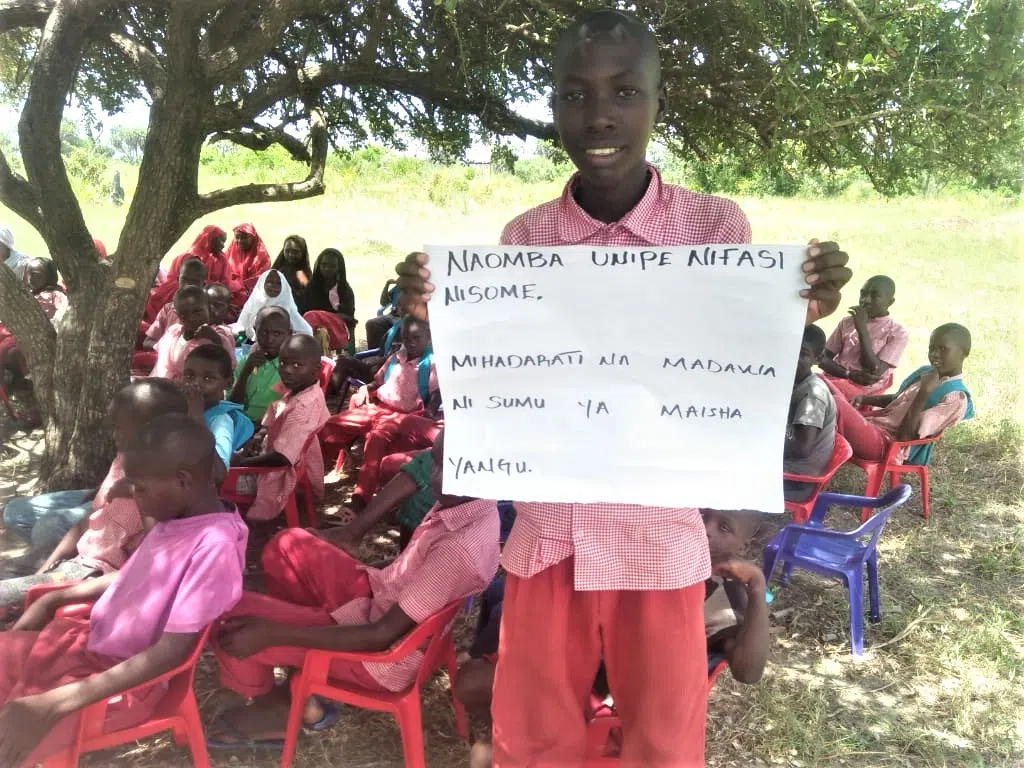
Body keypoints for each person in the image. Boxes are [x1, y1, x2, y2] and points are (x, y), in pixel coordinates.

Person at [394, 10, 851, 765]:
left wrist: (789, 308)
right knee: (531, 741)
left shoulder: (716, 230)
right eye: (575, 95)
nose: (599, 115)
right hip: (551, 541)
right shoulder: (523, 240)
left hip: (661, 541)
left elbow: (727, 369)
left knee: (664, 744)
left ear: (657, 103)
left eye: (625, 92)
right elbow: (509, 377)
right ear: (553, 106)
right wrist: (442, 311)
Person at [205, 430, 499, 747]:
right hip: (379, 606)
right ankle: (298, 680)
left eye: (448, 468)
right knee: (288, 546)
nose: (434, 477)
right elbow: (417, 575)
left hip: (379, 657)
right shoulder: (472, 506)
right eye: (436, 463)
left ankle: (273, 709)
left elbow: (380, 636)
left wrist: (273, 633)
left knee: (232, 618)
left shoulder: (457, 547)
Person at [0, 413, 247, 767]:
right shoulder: (178, 519)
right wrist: (57, 596)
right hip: (84, 646)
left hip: (122, 685)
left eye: (140, 488)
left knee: (12, 736)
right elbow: (137, 576)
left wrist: (53, 704)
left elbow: (171, 654)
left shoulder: (214, 546)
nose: (134, 497)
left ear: (182, 480)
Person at [454, 507, 770, 768]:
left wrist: (756, 588)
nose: (706, 530)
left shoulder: (723, 592)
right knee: (485, 698)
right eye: (702, 516)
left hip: (620, 695)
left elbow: (748, 671)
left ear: (743, 546)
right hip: (570, 657)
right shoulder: (629, 558)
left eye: (723, 527)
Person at [0, 379, 189, 613]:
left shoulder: (163, 489)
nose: (114, 435)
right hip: (78, 560)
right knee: (7, 570)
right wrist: (45, 567)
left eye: (120, 428)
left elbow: (152, 558)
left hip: (93, 575)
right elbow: (86, 523)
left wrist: (135, 492)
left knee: (5, 595)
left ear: (153, 432)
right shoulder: (122, 461)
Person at [320, 316, 440, 514]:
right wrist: (366, 388)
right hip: (378, 407)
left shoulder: (432, 363)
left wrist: (429, 412)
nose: (410, 343)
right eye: (406, 338)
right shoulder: (397, 357)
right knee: (332, 425)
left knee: (376, 438)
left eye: (416, 338)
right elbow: (378, 381)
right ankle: (316, 468)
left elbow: (436, 393)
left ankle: (361, 498)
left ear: (428, 337)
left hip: (402, 416)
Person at [826, 323, 974, 465]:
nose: (934, 354)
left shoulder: (955, 398)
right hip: (875, 425)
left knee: (835, 403)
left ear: (964, 353)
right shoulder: (927, 373)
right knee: (824, 385)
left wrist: (924, 392)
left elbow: (905, 438)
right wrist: (864, 399)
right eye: (931, 348)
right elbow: (897, 400)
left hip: (887, 446)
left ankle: (814, 462)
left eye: (943, 349)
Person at [230, 334, 330, 522]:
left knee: (218, 478)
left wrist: (241, 463)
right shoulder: (304, 390)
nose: (287, 370)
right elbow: (277, 413)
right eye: (283, 363)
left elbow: (282, 459)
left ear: (316, 370)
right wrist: (261, 434)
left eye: (297, 365)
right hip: (290, 463)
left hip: (278, 477)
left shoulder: (302, 407)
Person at [819, 275, 909, 401]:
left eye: (874, 295)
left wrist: (862, 329)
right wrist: (848, 374)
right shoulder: (847, 322)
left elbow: (874, 370)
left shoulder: (897, 333)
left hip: (863, 392)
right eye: (863, 294)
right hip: (836, 377)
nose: (865, 300)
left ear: (890, 302)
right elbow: (822, 359)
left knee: (824, 394)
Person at [784, 325, 838, 501]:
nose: (792, 357)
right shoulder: (796, 382)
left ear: (818, 358)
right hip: (792, 470)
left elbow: (802, 448)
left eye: (802, 353)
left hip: (797, 481)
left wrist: (762, 447)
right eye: (789, 348)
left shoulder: (813, 394)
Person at [182, 345, 255, 472]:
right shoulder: (179, 409)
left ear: (228, 383)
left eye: (207, 379)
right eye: (189, 376)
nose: (195, 384)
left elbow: (219, 471)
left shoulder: (221, 421)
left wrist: (197, 417)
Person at [150, 286, 235, 382]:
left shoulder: (218, 334)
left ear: (208, 308)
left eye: (197, 312)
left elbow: (228, 365)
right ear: (177, 314)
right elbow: (159, 363)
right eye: (184, 314)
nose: (191, 318)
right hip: (160, 385)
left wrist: (215, 339)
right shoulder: (173, 332)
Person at [230, 306, 291, 424]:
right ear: (255, 330)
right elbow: (232, 404)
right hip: (241, 423)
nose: (270, 339)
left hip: (272, 427)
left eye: (277, 334)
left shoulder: (291, 368)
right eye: (264, 332)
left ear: (289, 334)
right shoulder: (246, 362)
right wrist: (245, 372)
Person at [232, 269, 313, 343]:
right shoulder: (253, 304)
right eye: (269, 282)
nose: (273, 286)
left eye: (278, 283)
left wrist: (286, 342)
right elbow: (241, 327)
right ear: (262, 283)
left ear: (284, 287)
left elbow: (307, 332)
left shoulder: (288, 308)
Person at [301, 248, 357, 354]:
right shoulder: (312, 287)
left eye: (332, 266)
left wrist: (326, 317)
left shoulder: (344, 289)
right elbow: (305, 311)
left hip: (338, 329)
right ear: (319, 265)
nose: (327, 269)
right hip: (313, 328)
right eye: (324, 265)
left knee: (315, 322)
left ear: (339, 268)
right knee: (318, 331)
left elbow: (349, 317)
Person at [164, 225, 240, 296]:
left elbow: (225, 282)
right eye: (220, 240)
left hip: (213, 293)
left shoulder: (222, 259)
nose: (223, 245)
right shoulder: (190, 258)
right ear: (209, 239)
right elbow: (184, 282)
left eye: (224, 242)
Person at [142, 256, 207, 333]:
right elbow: (151, 337)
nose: (187, 285)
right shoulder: (168, 309)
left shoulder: (208, 311)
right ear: (178, 279)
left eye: (194, 281)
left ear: (203, 285)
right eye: (184, 279)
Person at [225, 223, 272, 294]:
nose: (240, 241)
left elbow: (262, 278)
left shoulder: (262, 256)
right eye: (237, 237)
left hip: (253, 292)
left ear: (253, 238)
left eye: (244, 238)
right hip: (230, 290)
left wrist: (242, 286)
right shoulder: (231, 251)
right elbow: (224, 272)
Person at [271, 235, 313, 301]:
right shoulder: (277, 269)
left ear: (302, 253)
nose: (290, 255)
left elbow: (306, 294)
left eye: (295, 252)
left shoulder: (301, 274)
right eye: (287, 251)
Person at [24, 258, 68, 322]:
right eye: (28, 274)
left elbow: (65, 310)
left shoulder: (55, 295)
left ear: (49, 276)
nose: (30, 278)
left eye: (35, 275)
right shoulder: (28, 294)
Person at [364, 278, 401, 351]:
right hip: (392, 314)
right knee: (371, 323)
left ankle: (384, 351)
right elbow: (383, 302)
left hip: (404, 316)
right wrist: (387, 285)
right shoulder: (397, 288)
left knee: (396, 327)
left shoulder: (414, 288)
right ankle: (374, 352)